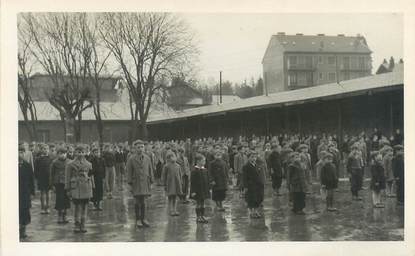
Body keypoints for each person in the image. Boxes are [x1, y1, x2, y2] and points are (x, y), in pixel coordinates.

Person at [65, 144, 94, 233]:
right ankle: (77, 225)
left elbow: (91, 176)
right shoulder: (70, 164)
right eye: (78, 152)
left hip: (86, 187)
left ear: (85, 153)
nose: (80, 154)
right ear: (75, 152)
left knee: (85, 207)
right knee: (77, 207)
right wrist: (68, 189)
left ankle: (83, 224)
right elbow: (67, 177)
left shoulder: (89, 164)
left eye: (82, 152)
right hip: (76, 187)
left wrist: (93, 187)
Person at [126, 140, 154, 228]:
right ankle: (138, 219)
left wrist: (151, 182)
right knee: (137, 202)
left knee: (144, 201)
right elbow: (129, 172)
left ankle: (144, 218)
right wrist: (130, 184)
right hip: (136, 183)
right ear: (135, 149)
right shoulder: (131, 159)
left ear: (144, 148)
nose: (140, 149)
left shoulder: (147, 158)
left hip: (145, 182)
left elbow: (150, 170)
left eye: (142, 147)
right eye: (138, 147)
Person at [50, 147, 71, 224]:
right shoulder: (54, 162)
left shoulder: (69, 162)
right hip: (58, 184)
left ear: (66, 154)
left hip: (67, 183)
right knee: (59, 199)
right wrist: (52, 185)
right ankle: (59, 216)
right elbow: (51, 174)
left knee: (66, 200)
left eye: (64, 153)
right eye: (60, 153)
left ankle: (65, 215)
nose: (62, 155)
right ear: (58, 154)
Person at [19, 145, 35, 239]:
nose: (20, 154)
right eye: (18, 151)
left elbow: (31, 180)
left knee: (24, 211)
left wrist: (32, 192)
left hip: (25, 193)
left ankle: (23, 230)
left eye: (22, 152)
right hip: (15, 193)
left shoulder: (27, 165)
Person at [242, 151, 264, 218]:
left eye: (255, 157)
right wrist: (245, 186)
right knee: (251, 199)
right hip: (250, 185)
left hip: (258, 185)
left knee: (258, 198)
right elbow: (244, 177)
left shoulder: (257, 165)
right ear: (248, 158)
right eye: (252, 157)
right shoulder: (246, 166)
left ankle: (256, 211)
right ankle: (251, 212)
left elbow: (260, 175)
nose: (254, 158)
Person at [190, 153, 210, 224]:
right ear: (198, 161)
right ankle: (198, 217)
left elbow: (207, 180)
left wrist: (208, 188)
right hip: (197, 190)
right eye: (203, 161)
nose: (204, 162)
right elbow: (192, 182)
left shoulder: (205, 170)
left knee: (203, 203)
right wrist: (193, 191)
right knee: (198, 203)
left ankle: (202, 215)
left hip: (204, 189)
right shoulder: (194, 171)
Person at [162, 152, 183, 216]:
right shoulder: (166, 166)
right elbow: (164, 175)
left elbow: (180, 174)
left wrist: (181, 182)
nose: (174, 158)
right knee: (170, 197)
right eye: (172, 157)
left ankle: (175, 209)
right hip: (170, 184)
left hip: (177, 183)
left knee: (175, 197)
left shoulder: (178, 166)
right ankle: (171, 210)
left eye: (174, 156)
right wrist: (164, 184)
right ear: (168, 158)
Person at [34, 143, 52, 214]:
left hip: (48, 178)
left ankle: (48, 207)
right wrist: (37, 177)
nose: (45, 150)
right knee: (42, 193)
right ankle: (42, 207)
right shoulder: (38, 159)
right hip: (41, 178)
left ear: (48, 150)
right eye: (43, 149)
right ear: (41, 150)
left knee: (48, 193)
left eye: (46, 149)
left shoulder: (50, 159)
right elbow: (36, 169)